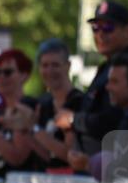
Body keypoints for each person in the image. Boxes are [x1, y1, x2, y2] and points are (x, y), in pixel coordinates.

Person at [54, 1, 128, 150]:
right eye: (95, 28)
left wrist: (73, 119)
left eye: (108, 27)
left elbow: (114, 119)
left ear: (127, 31)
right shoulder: (106, 67)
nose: (101, 34)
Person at [28, 39, 88, 174]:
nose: (49, 71)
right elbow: (45, 154)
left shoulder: (79, 101)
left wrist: (35, 130)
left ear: (68, 66)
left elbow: (70, 154)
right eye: (45, 65)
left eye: (55, 65)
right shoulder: (43, 103)